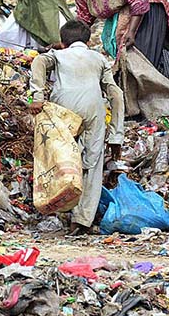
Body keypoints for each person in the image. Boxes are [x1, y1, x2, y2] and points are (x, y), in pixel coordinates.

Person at [30, 20, 124, 236]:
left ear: (63, 42)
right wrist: (116, 135)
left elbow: (38, 63)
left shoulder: (57, 55)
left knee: (63, 159)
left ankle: (61, 209)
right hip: (94, 110)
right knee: (92, 162)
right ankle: (82, 221)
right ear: (88, 40)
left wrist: (37, 95)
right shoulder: (99, 58)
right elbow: (115, 94)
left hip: (65, 109)